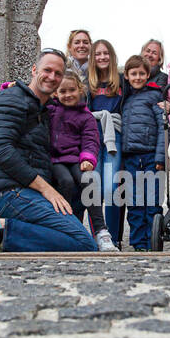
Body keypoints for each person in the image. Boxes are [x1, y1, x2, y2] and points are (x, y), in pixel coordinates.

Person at [0, 49, 99, 253]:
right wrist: (46, 189)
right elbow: (1, 150)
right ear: (34, 70)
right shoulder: (11, 99)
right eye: (47, 70)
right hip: (11, 192)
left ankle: (4, 227)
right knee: (84, 244)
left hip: (31, 193)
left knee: (81, 240)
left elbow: (78, 116)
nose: (52, 77)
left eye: (58, 73)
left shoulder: (47, 108)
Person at [46, 71, 116, 250]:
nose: (68, 95)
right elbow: (29, 100)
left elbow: (90, 141)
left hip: (76, 160)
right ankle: (68, 227)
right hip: (55, 160)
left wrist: (88, 159)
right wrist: (8, 86)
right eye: (63, 91)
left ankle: (101, 231)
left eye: (72, 90)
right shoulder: (50, 110)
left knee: (90, 180)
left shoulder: (86, 117)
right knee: (66, 182)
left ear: (80, 90)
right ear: (55, 93)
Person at [117, 56, 166, 250]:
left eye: (141, 73)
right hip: (130, 158)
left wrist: (160, 157)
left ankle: (154, 240)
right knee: (135, 203)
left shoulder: (155, 96)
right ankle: (138, 243)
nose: (138, 77)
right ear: (127, 76)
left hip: (150, 157)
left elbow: (162, 128)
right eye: (133, 73)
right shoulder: (124, 98)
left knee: (152, 202)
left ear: (147, 75)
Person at [85, 39, 123, 251]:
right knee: (94, 187)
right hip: (92, 136)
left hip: (113, 137)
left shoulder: (121, 81)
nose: (102, 57)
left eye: (105, 53)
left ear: (111, 56)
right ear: (92, 58)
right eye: (97, 54)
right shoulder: (87, 83)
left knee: (112, 187)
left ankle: (114, 237)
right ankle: (97, 236)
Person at [66, 29, 92, 96]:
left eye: (85, 42)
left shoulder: (97, 69)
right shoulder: (62, 68)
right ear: (69, 47)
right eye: (77, 42)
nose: (81, 46)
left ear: (91, 46)